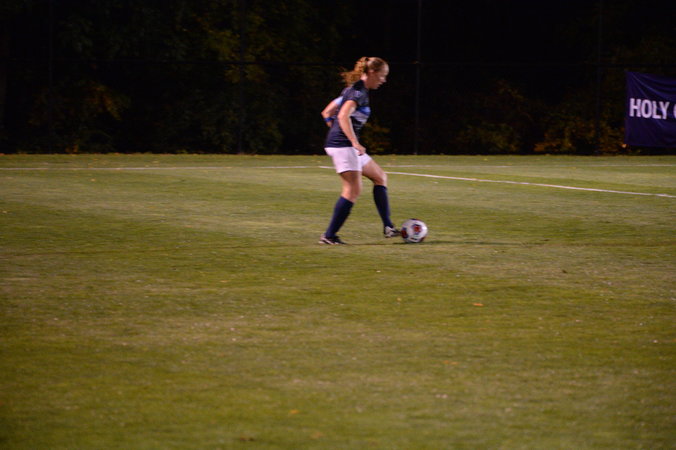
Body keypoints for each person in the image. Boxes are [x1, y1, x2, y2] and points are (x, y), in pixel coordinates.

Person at [319, 56, 399, 245]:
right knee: (352, 190)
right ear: (372, 72)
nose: (384, 80)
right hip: (344, 146)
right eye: (382, 75)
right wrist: (353, 141)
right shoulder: (358, 92)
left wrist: (336, 131)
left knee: (380, 177)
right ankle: (329, 236)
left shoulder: (355, 89)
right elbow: (343, 116)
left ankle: (388, 227)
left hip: (342, 144)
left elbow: (327, 112)